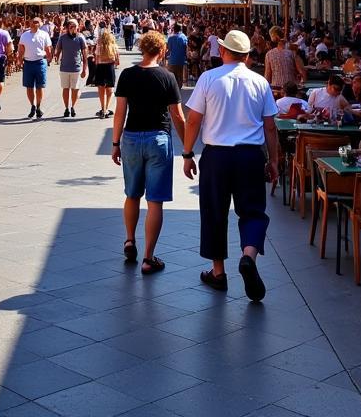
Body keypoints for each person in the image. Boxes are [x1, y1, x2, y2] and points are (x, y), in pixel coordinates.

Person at [181, 29, 279, 303]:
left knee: (214, 212)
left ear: (223, 51)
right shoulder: (259, 82)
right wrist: (273, 160)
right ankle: (248, 256)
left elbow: (193, 120)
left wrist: (188, 153)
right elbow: (270, 127)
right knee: (253, 212)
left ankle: (218, 272)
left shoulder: (209, 78)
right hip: (250, 156)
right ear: (247, 56)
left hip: (217, 156)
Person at [111, 30, 186, 275]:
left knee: (132, 194)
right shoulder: (167, 77)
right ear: (162, 50)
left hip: (131, 138)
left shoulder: (128, 74)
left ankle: (130, 240)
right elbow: (177, 116)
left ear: (142, 48)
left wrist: (115, 143)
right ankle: (148, 258)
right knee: (155, 201)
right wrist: (187, 149)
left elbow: (120, 113)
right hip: (158, 139)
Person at [17, 16, 52, 120]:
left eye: (37, 22)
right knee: (29, 86)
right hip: (28, 62)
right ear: (30, 23)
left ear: (41, 24)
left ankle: (38, 106)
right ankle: (32, 105)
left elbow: (48, 48)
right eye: (33, 22)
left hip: (40, 62)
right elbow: (21, 48)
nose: (34, 24)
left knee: (39, 86)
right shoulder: (24, 35)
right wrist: (19, 60)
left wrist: (49, 58)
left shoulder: (44, 34)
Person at [56, 19, 88, 119]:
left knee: (75, 89)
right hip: (64, 67)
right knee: (65, 88)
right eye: (70, 25)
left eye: (74, 25)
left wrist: (84, 69)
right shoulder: (62, 37)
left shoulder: (80, 38)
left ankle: (73, 106)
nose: (72, 27)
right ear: (67, 27)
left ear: (77, 27)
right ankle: (66, 108)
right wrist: (56, 56)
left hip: (76, 68)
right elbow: (58, 49)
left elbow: (84, 54)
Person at [94, 28, 120, 118]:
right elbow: (117, 61)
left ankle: (103, 108)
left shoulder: (99, 46)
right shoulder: (113, 46)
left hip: (100, 67)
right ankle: (107, 108)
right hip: (110, 67)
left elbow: (96, 60)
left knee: (101, 89)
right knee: (109, 89)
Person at [166, 23, 189, 88]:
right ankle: (178, 90)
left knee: (172, 76)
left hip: (172, 60)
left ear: (174, 29)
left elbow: (169, 49)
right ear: (181, 29)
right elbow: (186, 48)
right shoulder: (184, 37)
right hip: (181, 60)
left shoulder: (171, 38)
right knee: (180, 76)